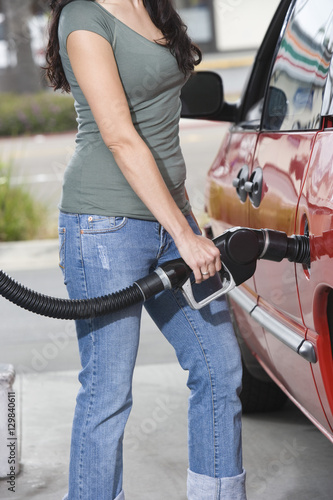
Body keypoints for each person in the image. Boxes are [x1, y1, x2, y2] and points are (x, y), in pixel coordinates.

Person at [45, 1, 247, 499]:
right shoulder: (82, 16)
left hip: (172, 221)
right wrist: (183, 235)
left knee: (219, 368)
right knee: (108, 394)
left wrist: (184, 221)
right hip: (104, 227)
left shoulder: (154, 8)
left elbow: (162, 128)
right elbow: (119, 137)